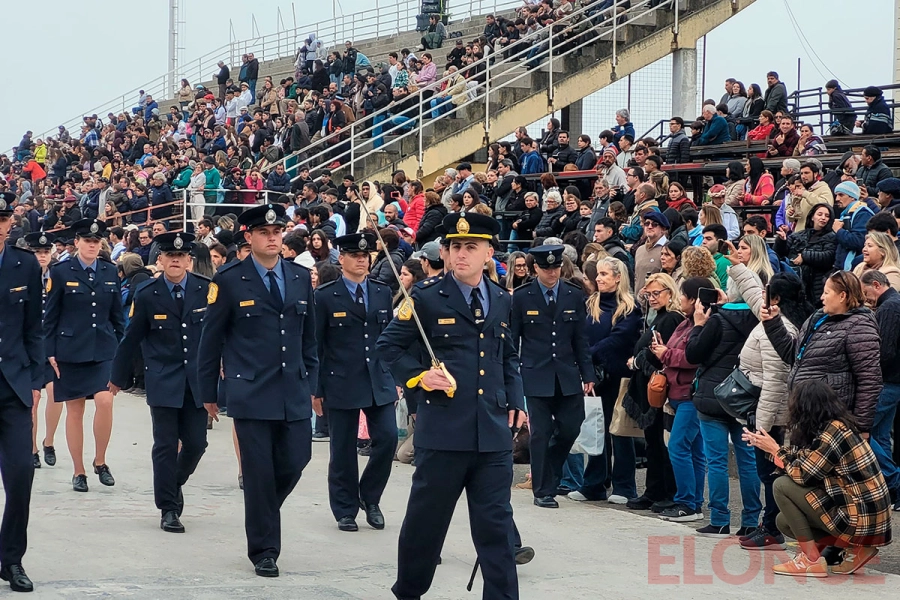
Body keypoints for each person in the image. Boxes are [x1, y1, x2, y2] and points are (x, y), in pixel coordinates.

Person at [376, 212, 527, 600]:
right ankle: (409, 591)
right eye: (454, 247)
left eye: (470, 247)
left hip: (491, 433)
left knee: (496, 527)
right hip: (443, 431)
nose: (460, 254)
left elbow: (507, 355)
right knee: (426, 525)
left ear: (488, 252)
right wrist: (419, 376)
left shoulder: (502, 299)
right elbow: (387, 348)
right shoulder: (424, 297)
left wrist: (515, 400)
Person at [197, 204, 319, 578]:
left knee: (297, 460)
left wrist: (312, 383)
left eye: (278, 231)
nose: (272, 236)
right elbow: (211, 339)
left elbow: (310, 337)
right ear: (248, 237)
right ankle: (264, 549)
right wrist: (208, 392)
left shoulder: (299, 277)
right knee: (259, 472)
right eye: (265, 232)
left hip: (294, 389)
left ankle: (262, 511)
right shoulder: (230, 279)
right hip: (250, 391)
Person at [109, 232, 210, 534]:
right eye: (170, 256)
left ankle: (173, 482)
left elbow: (217, 336)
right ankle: (168, 508)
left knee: (196, 444)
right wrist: (117, 377)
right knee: (165, 445)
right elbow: (132, 338)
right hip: (163, 378)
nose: (175, 260)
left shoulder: (206, 291)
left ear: (189, 260)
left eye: (181, 256)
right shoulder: (147, 293)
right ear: (161, 260)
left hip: (196, 382)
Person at [743, 380, 892, 577]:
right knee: (784, 521)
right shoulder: (836, 427)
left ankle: (811, 560)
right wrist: (771, 449)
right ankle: (856, 549)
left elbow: (805, 475)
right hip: (869, 522)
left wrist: (776, 450)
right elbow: (807, 458)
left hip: (860, 520)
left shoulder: (833, 433)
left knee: (781, 485)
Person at [313, 232, 398, 532]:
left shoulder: (381, 291)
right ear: (342, 259)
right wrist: (316, 389)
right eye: (355, 255)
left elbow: (389, 337)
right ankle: (345, 508)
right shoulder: (324, 296)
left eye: (365, 255)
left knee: (387, 438)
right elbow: (316, 345)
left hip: (378, 378)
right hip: (340, 379)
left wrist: (396, 375)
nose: (361, 260)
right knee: (343, 449)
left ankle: (370, 497)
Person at [733, 268, 814, 550]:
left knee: (771, 476)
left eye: (768, 294)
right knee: (770, 474)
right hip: (767, 412)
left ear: (776, 299)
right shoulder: (778, 317)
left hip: (773, 416)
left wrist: (762, 429)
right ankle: (769, 524)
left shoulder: (778, 330)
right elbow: (756, 295)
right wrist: (739, 268)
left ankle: (771, 527)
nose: (762, 299)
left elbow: (776, 384)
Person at [43, 218, 125, 493]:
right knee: (75, 409)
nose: (91, 245)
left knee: (105, 401)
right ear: (76, 242)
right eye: (86, 240)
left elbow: (117, 315)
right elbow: (50, 317)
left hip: (103, 347)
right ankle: (79, 470)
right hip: (70, 349)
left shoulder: (110, 271)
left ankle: (100, 461)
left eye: (95, 241)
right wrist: (50, 351)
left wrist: (122, 347)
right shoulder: (61, 271)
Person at [510, 245, 594, 509]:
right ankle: (542, 490)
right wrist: (512, 375)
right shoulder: (523, 297)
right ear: (535, 268)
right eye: (546, 268)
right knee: (540, 433)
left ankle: (551, 472)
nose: (552, 272)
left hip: (567, 373)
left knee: (572, 426)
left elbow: (580, 339)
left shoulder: (572, 294)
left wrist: (587, 373)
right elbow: (513, 340)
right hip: (536, 374)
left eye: (556, 267)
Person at [684, 273, 761, 538]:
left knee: (716, 461)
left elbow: (693, 353)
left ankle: (719, 519)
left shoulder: (716, 320)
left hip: (714, 396)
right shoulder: (759, 320)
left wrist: (697, 325)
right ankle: (751, 520)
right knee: (748, 461)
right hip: (746, 399)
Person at [763, 271, 882, 439]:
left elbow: (870, 381)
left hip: (833, 423)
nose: (821, 297)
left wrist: (861, 427)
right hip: (806, 417)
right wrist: (772, 322)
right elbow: (794, 357)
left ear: (842, 296)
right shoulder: (817, 318)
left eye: (827, 293)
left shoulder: (860, 327)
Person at [569, 257, 642, 504]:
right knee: (595, 429)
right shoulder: (591, 304)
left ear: (618, 277)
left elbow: (619, 339)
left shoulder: (630, 307)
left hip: (619, 376)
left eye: (604, 274)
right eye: (598, 274)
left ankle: (625, 487)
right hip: (594, 376)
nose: (598, 278)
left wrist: (587, 353)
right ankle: (594, 484)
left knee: (619, 432)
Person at [0, 193, 42, 593]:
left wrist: (33, 374)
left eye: (2, 219)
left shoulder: (24, 263)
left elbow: (33, 325)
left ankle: (11, 559)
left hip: (12, 385)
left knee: (20, 474)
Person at [624, 273, 682, 511]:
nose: (653, 298)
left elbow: (659, 353)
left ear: (670, 292)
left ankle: (667, 492)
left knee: (661, 442)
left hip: (660, 388)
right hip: (648, 386)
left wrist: (637, 362)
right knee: (653, 443)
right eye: (649, 294)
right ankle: (654, 490)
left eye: (657, 293)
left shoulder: (672, 318)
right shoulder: (658, 317)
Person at [654, 277, 708, 522]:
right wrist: (664, 351)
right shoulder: (684, 323)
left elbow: (692, 357)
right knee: (694, 450)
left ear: (694, 299)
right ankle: (694, 502)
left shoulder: (703, 325)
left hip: (690, 395)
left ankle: (687, 502)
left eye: (683, 295)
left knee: (677, 447)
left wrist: (666, 354)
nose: (680, 299)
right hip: (676, 393)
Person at [859, 270, 900, 510]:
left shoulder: (888, 308)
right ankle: (889, 488)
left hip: (886, 381)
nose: (866, 299)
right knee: (881, 435)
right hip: (893, 382)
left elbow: (883, 351)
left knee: (860, 430)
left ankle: (893, 479)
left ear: (876, 285)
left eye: (866, 293)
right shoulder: (893, 304)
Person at [23, 232, 63, 470]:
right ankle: (32, 448)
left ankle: (49, 441)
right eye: (38, 252)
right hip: (30, 346)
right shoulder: (23, 276)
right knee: (32, 399)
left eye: (46, 252)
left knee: (56, 393)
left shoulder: (58, 276)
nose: (42, 256)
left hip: (54, 345)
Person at [775, 204, 836, 307]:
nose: (823, 218)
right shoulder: (799, 234)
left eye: (827, 216)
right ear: (812, 217)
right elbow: (780, 252)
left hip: (816, 286)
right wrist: (781, 240)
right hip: (796, 283)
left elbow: (829, 256)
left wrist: (805, 256)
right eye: (819, 214)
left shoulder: (832, 236)